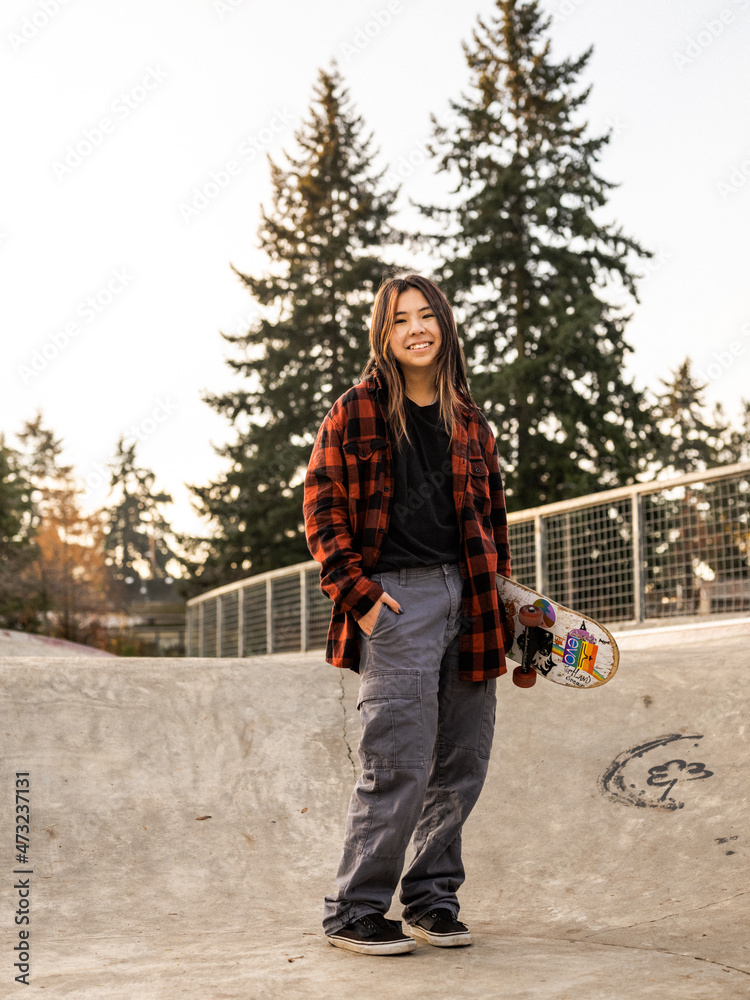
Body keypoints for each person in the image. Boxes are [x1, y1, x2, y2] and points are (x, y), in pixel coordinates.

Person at [303, 273, 512, 956]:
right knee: (397, 763)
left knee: (461, 764)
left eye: (427, 316)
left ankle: (431, 899)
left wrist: (510, 604)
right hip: (398, 601)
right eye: (400, 320)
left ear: (445, 326)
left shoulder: (472, 423)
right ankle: (355, 908)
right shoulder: (356, 410)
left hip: (473, 600)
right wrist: (361, 599)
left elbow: (493, 524)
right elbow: (322, 508)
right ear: (384, 335)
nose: (416, 329)